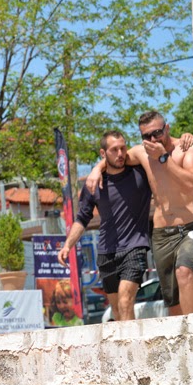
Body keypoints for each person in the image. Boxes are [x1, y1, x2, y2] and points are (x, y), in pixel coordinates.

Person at [87, 111, 193, 316]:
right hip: (162, 234)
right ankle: (181, 335)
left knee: (184, 271)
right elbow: (116, 158)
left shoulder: (188, 147)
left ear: (167, 128)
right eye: (146, 136)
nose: (153, 139)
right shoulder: (142, 153)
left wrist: (164, 158)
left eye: (157, 133)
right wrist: (97, 168)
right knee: (172, 300)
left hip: (192, 227)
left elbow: (191, 182)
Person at [59, 131, 151, 322]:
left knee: (125, 302)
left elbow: (147, 150)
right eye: (114, 150)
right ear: (103, 153)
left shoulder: (139, 173)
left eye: (123, 148)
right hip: (106, 252)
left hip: (135, 248)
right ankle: (126, 341)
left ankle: (131, 342)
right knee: (116, 310)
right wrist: (68, 245)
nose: (120, 153)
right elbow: (82, 218)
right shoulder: (94, 183)